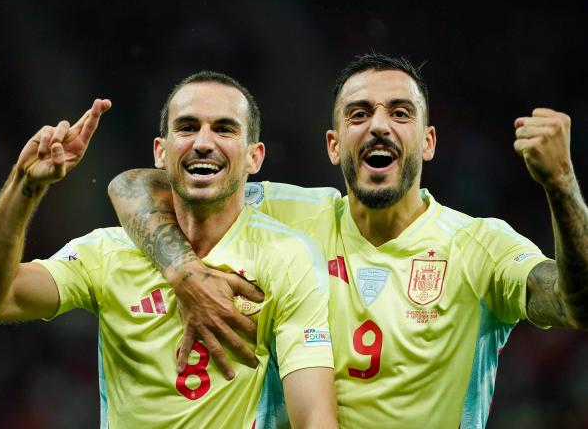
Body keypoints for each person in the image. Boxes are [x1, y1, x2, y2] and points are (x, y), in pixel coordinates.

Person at [108, 53, 588, 428]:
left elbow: (577, 306)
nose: (378, 125)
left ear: (428, 141)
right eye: (359, 114)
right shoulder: (285, 212)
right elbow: (134, 185)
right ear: (335, 143)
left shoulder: (480, 246)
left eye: (400, 113)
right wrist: (184, 272)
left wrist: (563, 184)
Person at [0, 72, 338, 428]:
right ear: (160, 151)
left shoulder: (287, 256)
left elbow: (314, 417)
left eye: (224, 129)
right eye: (187, 127)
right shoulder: (107, 253)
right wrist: (23, 185)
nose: (203, 142)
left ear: (254, 157)